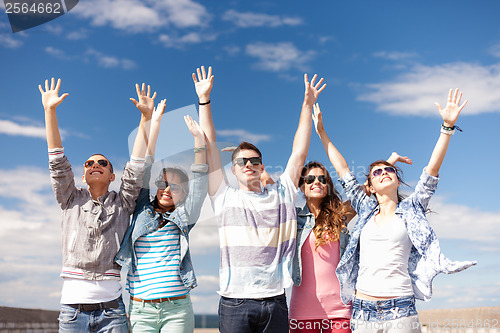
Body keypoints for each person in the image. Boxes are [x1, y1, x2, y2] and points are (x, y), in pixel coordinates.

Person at [311, 89, 476, 333]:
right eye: (376, 172)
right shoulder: (365, 209)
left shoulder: (412, 208)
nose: (384, 173)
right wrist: (322, 133)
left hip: (401, 309)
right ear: (371, 185)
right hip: (363, 309)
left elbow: (431, 171)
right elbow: (342, 168)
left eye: (389, 170)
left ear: (397, 180)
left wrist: (447, 128)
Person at [193, 65, 326, 333]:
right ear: (233, 169)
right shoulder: (224, 196)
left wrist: (306, 104)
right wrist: (204, 101)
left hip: (275, 301)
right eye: (242, 161)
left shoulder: (282, 194)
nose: (249, 164)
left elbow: (299, 152)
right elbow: (209, 146)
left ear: (262, 166)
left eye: (255, 160)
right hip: (234, 302)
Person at [40, 78, 159, 332]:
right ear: (83, 175)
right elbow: (57, 163)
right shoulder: (70, 199)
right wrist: (50, 111)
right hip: (72, 312)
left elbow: (136, 165)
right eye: (89, 163)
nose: (95, 164)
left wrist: (145, 119)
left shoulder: (123, 202)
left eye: (102, 163)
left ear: (112, 176)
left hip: (113, 310)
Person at [263, 155, 410, 333]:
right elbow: (275, 198)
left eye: (322, 179)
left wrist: (389, 163)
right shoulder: (294, 219)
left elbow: (366, 190)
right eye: (310, 179)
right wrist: (259, 170)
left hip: (340, 311)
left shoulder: (339, 216)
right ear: (302, 186)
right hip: (301, 313)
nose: (316, 182)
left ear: (328, 186)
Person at [115, 95, 208, 332]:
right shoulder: (141, 211)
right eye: (163, 183)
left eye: (175, 186)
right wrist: (153, 124)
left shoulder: (185, 217)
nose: (167, 190)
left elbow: (199, 181)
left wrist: (199, 141)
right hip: (140, 309)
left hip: (177, 309)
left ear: (183, 193)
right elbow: (144, 167)